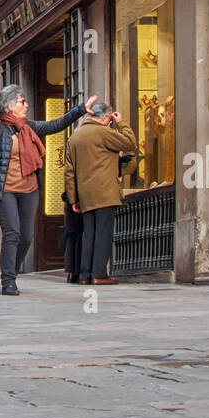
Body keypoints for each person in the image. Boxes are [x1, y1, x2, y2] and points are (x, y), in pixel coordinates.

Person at [0, 84, 99, 296]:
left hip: (29, 189)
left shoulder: (29, 127)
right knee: (12, 231)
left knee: (26, 237)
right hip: (5, 190)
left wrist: (80, 110)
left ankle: (11, 271)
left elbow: (55, 125)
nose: (26, 105)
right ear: (10, 106)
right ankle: (8, 281)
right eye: (22, 102)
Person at [64, 100, 138, 284]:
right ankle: (98, 274)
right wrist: (121, 123)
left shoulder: (75, 137)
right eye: (109, 119)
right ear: (105, 117)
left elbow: (69, 172)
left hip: (85, 194)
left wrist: (73, 199)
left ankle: (84, 275)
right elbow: (130, 143)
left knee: (89, 233)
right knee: (103, 233)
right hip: (105, 192)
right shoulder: (104, 132)